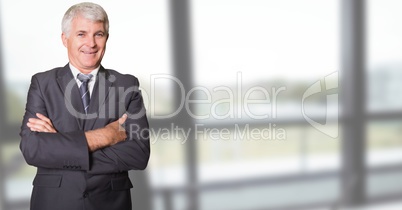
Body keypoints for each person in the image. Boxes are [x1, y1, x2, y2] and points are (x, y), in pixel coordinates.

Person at [19, 2, 150, 210]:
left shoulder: (127, 85)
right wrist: (105, 136)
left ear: (107, 38)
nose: (91, 43)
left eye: (99, 34)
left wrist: (59, 145)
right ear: (65, 39)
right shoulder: (43, 84)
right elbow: (32, 149)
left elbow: (138, 153)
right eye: (82, 34)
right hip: (54, 203)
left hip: (110, 203)